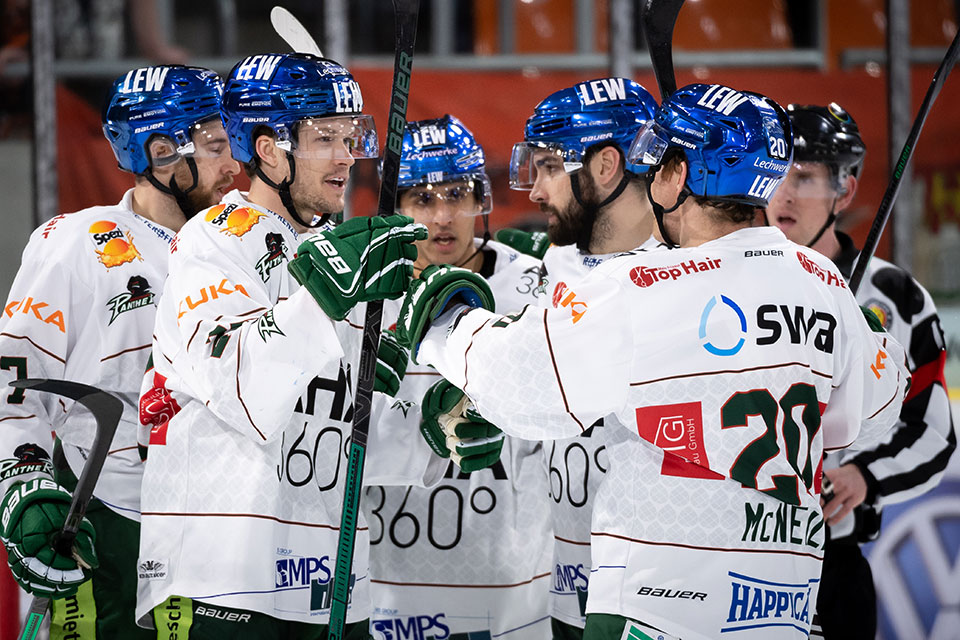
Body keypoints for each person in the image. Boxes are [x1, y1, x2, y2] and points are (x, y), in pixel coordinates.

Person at [394, 84, 909, 640]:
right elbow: (878, 409)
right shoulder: (823, 281)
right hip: (780, 605)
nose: (647, 177)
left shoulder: (643, 288)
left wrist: (448, 324)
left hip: (660, 607)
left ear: (677, 175)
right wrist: (875, 341)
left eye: (654, 164)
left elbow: (527, 389)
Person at [135, 53, 447, 639]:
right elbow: (246, 393)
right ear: (269, 149)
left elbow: (339, 429)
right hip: (220, 584)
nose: (346, 155)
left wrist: (431, 431)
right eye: (325, 137)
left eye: (351, 136)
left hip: (331, 585)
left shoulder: (348, 252)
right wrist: (322, 297)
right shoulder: (210, 243)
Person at [0, 65, 239, 638]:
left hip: (223, 537)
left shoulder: (246, 245)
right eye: (214, 147)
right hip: (104, 528)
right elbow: (14, 382)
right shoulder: (79, 244)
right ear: (161, 152)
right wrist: (24, 488)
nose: (234, 166)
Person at [766, 102, 956, 639]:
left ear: (844, 193)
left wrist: (863, 476)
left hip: (833, 564)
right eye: (775, 172)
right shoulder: (726, 284)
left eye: (802, 176)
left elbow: (931, 431)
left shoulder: (893, 298)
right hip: (731, 555)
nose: (782, 192)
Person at [365, 114, 553, 639]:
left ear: (482, 201)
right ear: (395, 208)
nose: (443, 215)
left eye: (457, 194)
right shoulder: (366, 292)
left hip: (511, 574)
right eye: (422, 199)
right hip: (390, 569)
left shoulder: (536, 283)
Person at [501, 77, 662, 639]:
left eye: (548, 166)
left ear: (605, 165)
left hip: (660, 588)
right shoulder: (558, 259)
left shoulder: (689, 272)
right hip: (567, 589)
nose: (535, 190)